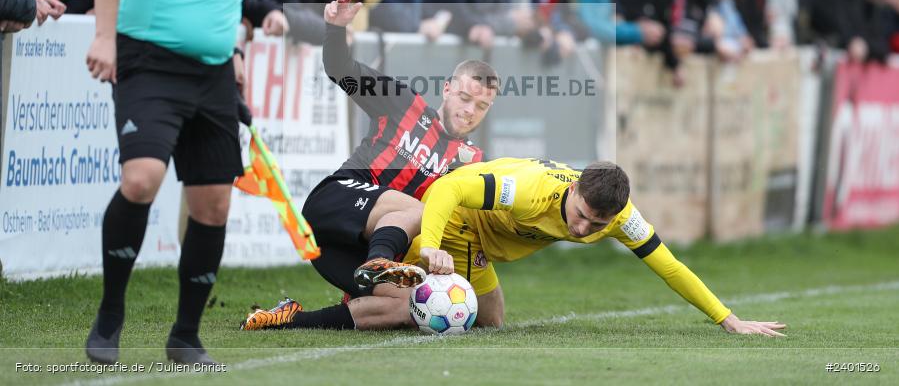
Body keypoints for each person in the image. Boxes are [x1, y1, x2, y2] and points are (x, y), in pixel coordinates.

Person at [83, 0, 273, 365]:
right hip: (151, 61)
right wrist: (104, 36)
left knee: (214, 203)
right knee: (141, 179)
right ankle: (110, 314)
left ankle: (185, 338)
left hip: (213, 70)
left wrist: (233, 51)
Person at [242, 157, 786, 336]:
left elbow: (670, 267)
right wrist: (432, 246)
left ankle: (368, 293)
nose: (580, 230)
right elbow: (450, 188)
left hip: (479, 244)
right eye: (577, 217)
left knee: (490, 321)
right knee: (413, 298)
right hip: (454, 220)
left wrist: (728, 320)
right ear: (570, 191)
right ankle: (307, 313)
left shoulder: (620, 218)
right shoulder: (526, 190)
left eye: (593, 226)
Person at [241, 0, 498, 330]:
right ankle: (378, 261)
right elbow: (340, 69)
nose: (469, 111)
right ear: (448, 88)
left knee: (408, 308)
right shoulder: (404, 102)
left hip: (342, 250)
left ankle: (289, 319)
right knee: (423, 210)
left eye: (480, 106)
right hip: (334, 202)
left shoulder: (472, 163)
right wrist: (334, 29)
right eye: (465, 97)